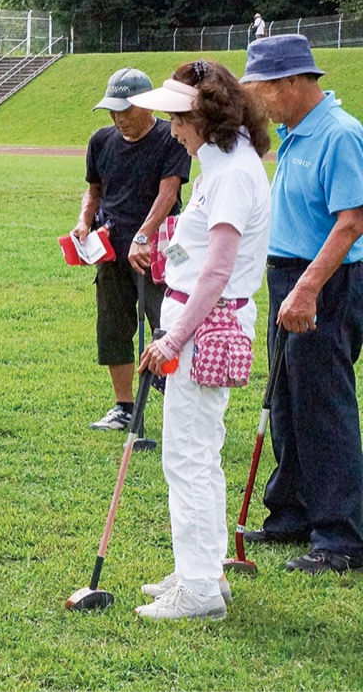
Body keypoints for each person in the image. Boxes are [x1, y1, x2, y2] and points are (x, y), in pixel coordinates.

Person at [129, 59, 272, 620]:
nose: (170, 129)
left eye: (177, 119)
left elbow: (218, 271)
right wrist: (165, 261)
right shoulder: (220, 163)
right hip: (200, 320)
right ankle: (204, 570)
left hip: (203, 329)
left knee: (187, 458)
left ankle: (200, 590)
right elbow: (198, 253)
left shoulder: (233, 173)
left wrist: (171, 339)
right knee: (199, 454)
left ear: (204, 116)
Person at [240, 34, 363, 574]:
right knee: (286, 399)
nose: (257, 98)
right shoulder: (294, 132)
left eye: (262, 87)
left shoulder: (339, 134)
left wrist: (308, 287)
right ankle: (292, 513)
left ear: (292, 82)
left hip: (325, 280)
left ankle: (342, 536)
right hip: (287, 274)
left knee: (322, 404)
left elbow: (352, 222)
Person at [75, 68, 192, 430]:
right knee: (113, 326)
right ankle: (124, 407)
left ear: (146, 105)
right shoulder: (101, 140)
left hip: (163, 244)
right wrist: (83, 221)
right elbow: (94, 191)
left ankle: (181, 403)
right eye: (113, 112)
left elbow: (168, 194)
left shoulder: (170, 138)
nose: (118, 119)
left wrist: (144, 234)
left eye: (125, 110)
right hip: (111, 246)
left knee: (169, 320)